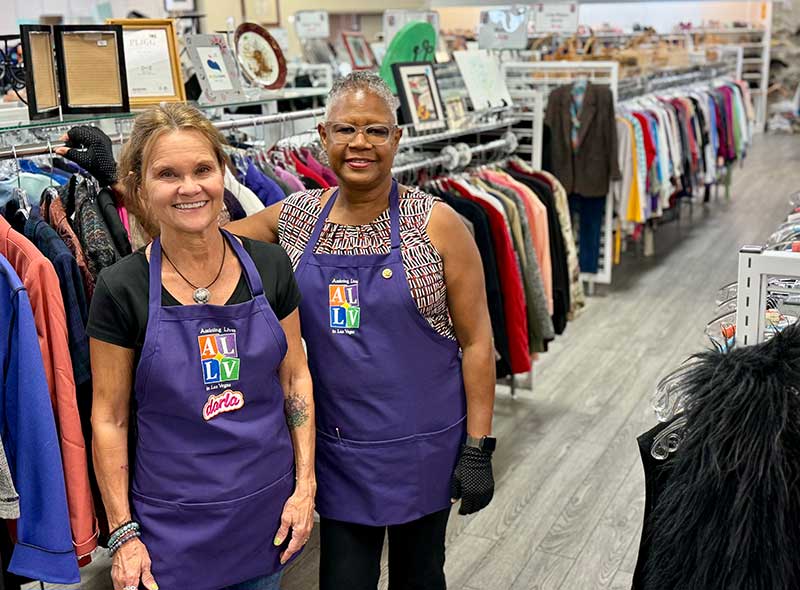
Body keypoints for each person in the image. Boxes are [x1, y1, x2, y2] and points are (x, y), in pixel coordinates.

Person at [230, 71, 497, 589]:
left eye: (376, 131)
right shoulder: (296, 219)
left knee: (420, 577)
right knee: (343, 580)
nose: (360, 143)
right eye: (345, 129)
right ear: (322, 135)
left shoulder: (436, 225)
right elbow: (212, 242)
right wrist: (156, 191)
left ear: (397, 139)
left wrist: (478, 445)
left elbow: (478, 342)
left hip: (423, 447)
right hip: (341, 448)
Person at [83, 104, 316, 590]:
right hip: (170, 531)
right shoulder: (121, 288)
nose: (189, 188)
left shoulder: (271, 266)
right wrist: (124, 534)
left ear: (222, 174)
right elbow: (109, 418)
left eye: (202, 170)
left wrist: (305, 486)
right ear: (140, 186)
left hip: (266, 514)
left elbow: (295, 377)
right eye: (168, 174)